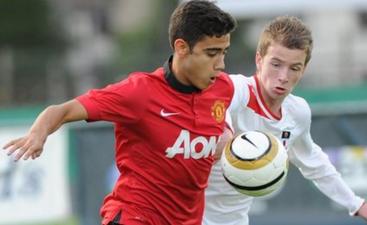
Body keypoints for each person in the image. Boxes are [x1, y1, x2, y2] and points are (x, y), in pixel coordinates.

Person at [2, 1, 237, 225]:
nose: (221, 64)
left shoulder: (223, 89)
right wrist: (38, 133)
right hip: (134, 216)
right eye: (211, 53)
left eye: (224, 52)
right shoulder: (138, 93)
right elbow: (63, 110)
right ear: (181, 47)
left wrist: (229, 140)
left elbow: (210, 133)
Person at [203, 16, 367, 225]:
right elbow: (219, 102)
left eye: (294, 68)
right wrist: (225, 129)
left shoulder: (297, 112)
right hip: (182, 215)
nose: (283, 76)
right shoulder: (237, 89)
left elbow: (314, 162)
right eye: (276, 64)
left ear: (303, 70)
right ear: (259, 60)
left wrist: (356, 204)